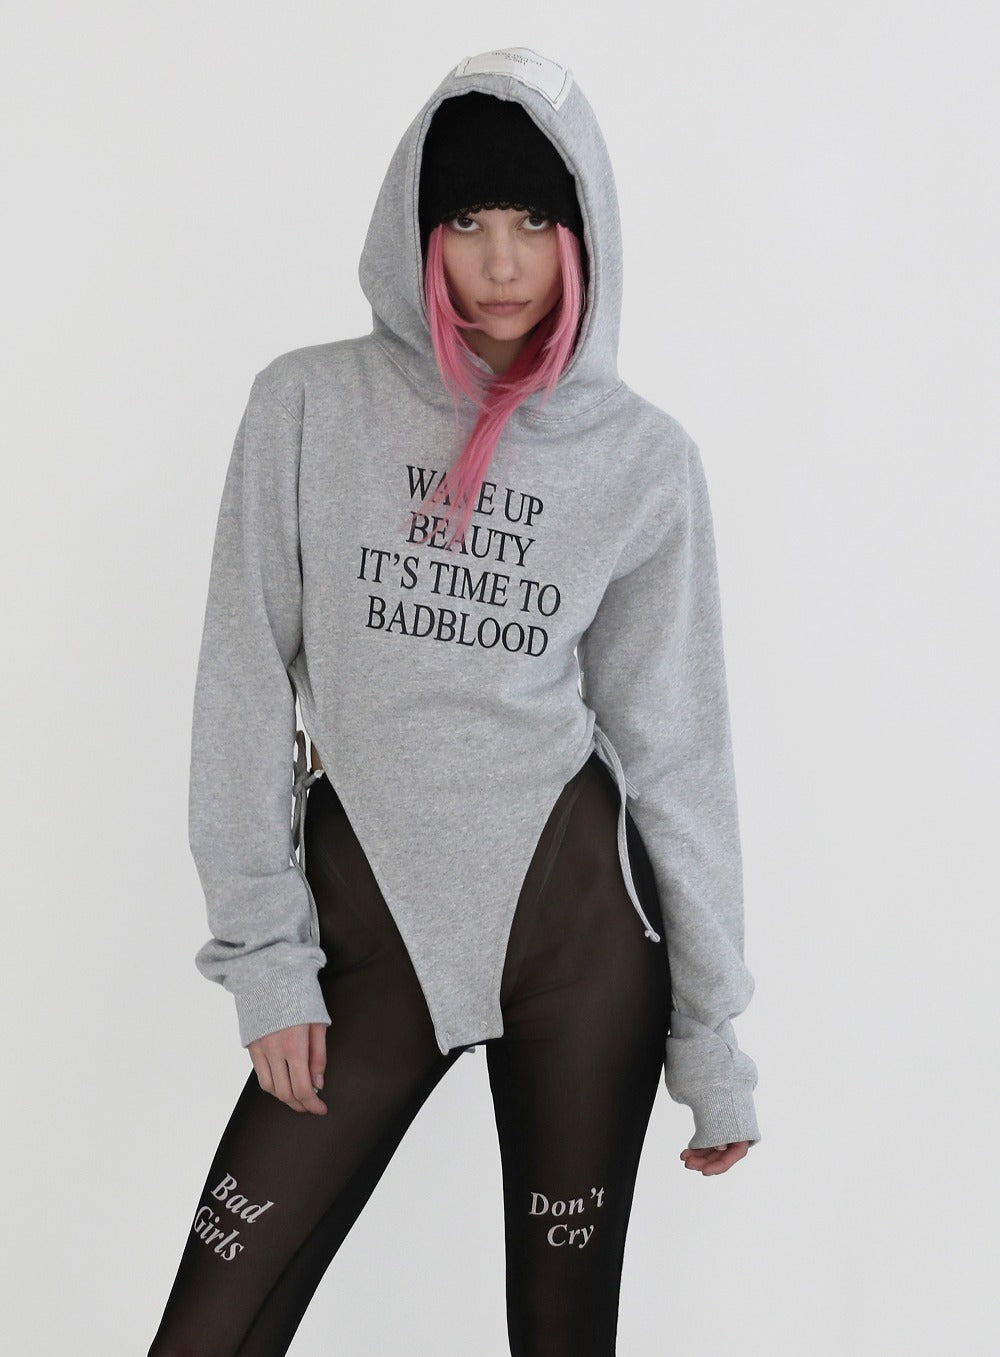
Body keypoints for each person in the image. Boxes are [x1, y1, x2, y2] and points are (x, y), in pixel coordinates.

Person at [149, 45, 762, 1357]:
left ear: (582, 233)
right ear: (417, 228)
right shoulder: (307, 406)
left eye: (534, 220)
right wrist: (267, 961)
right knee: (207, 1331)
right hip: (364, 939)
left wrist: (710, 1037)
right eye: (469, 218)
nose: (500, 260)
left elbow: (675, 753)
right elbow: (242, 676)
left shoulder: (643, 461)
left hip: (580, 940)